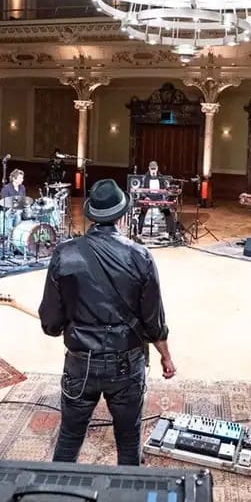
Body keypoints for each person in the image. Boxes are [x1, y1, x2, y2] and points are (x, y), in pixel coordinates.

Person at [39, 178, 177, 465]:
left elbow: (51, 323)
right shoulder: (141, 256)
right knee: (128, 443)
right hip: (126, 363)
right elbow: (153, 321)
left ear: (92, 214)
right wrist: (166, 357)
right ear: (123, 215)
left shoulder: (64, 254)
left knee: (69, 438)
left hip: (80, 362)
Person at [135, 161, 177, 238]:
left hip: (159, 198)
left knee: (167, 212)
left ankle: (170, 232)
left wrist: (163, 200)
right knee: (142, 212)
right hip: (148, 198)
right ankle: (139, 231)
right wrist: (146, 198)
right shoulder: (145, 178)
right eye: (152, 169)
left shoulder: (161, 178)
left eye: (154, 169)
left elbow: (165, 190)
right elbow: (141, 190)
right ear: (149, 168)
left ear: (157, 168)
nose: (153, 171)